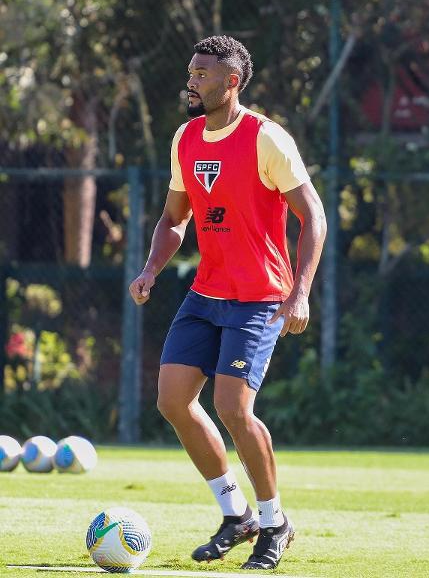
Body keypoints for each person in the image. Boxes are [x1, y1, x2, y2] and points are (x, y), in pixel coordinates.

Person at [129, 35, 327, 570]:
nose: (192, 82)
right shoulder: (186, 138)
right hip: (205, 294)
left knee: (233, 409)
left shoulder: (267, 138)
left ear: (231, 81)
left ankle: (274, 522)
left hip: (259, 298)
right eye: (191, 72)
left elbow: (315, 217)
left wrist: (299, 292)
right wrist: (150, 268)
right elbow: (175, 219)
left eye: (202, 74)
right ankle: (235, 514)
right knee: (172, 400)